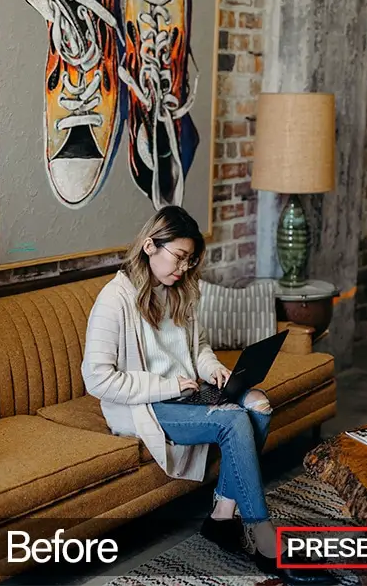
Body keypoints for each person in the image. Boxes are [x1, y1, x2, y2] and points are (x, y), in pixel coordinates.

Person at [82, 205, 335, 585]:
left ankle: (221, 518)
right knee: (234, 418)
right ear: (150, 245)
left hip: (187, 394)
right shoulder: (114, 299)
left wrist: (211, 368)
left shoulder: (181, 290)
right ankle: (265, 538)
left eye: (189, 260)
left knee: (258, 405)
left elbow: (197, 347)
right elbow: (97, 379)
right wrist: (169, 385)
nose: (183, 268)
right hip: (146, 406)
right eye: (179, 258)